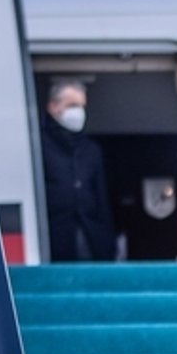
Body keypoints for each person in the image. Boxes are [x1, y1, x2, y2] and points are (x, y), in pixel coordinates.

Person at [38, 78, 116, 262]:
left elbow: (101, 199)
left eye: (81, 105)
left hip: (90, 237)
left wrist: (108, 241)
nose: (78, 112)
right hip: (53, 238)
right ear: (53, 107)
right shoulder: (38, 146)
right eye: (72, 105)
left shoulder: (91, 150)